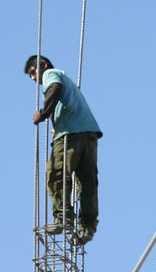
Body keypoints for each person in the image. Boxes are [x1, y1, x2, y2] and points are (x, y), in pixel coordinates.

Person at [24, 55, 102, 244]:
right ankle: (87, 227)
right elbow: (66, 102)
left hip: (70, 135)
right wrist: (57, 124)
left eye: (34, 72)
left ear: (43, 65)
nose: (35, 78)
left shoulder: (51, 74)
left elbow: (54, 89)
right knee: (87, 182)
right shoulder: (67, 80)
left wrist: (43, 114)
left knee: (57, 174)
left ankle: (63, 218)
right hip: (88, 134)